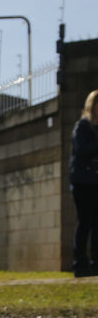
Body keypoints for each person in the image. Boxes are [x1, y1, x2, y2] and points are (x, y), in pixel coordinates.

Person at [70, 89, 98, 277]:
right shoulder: (83, 126)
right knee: (85, 222)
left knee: (96, 223)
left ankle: (95, 263)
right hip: (83, 182)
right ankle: (80, 263)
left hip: (95, 181)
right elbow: (81, 151)